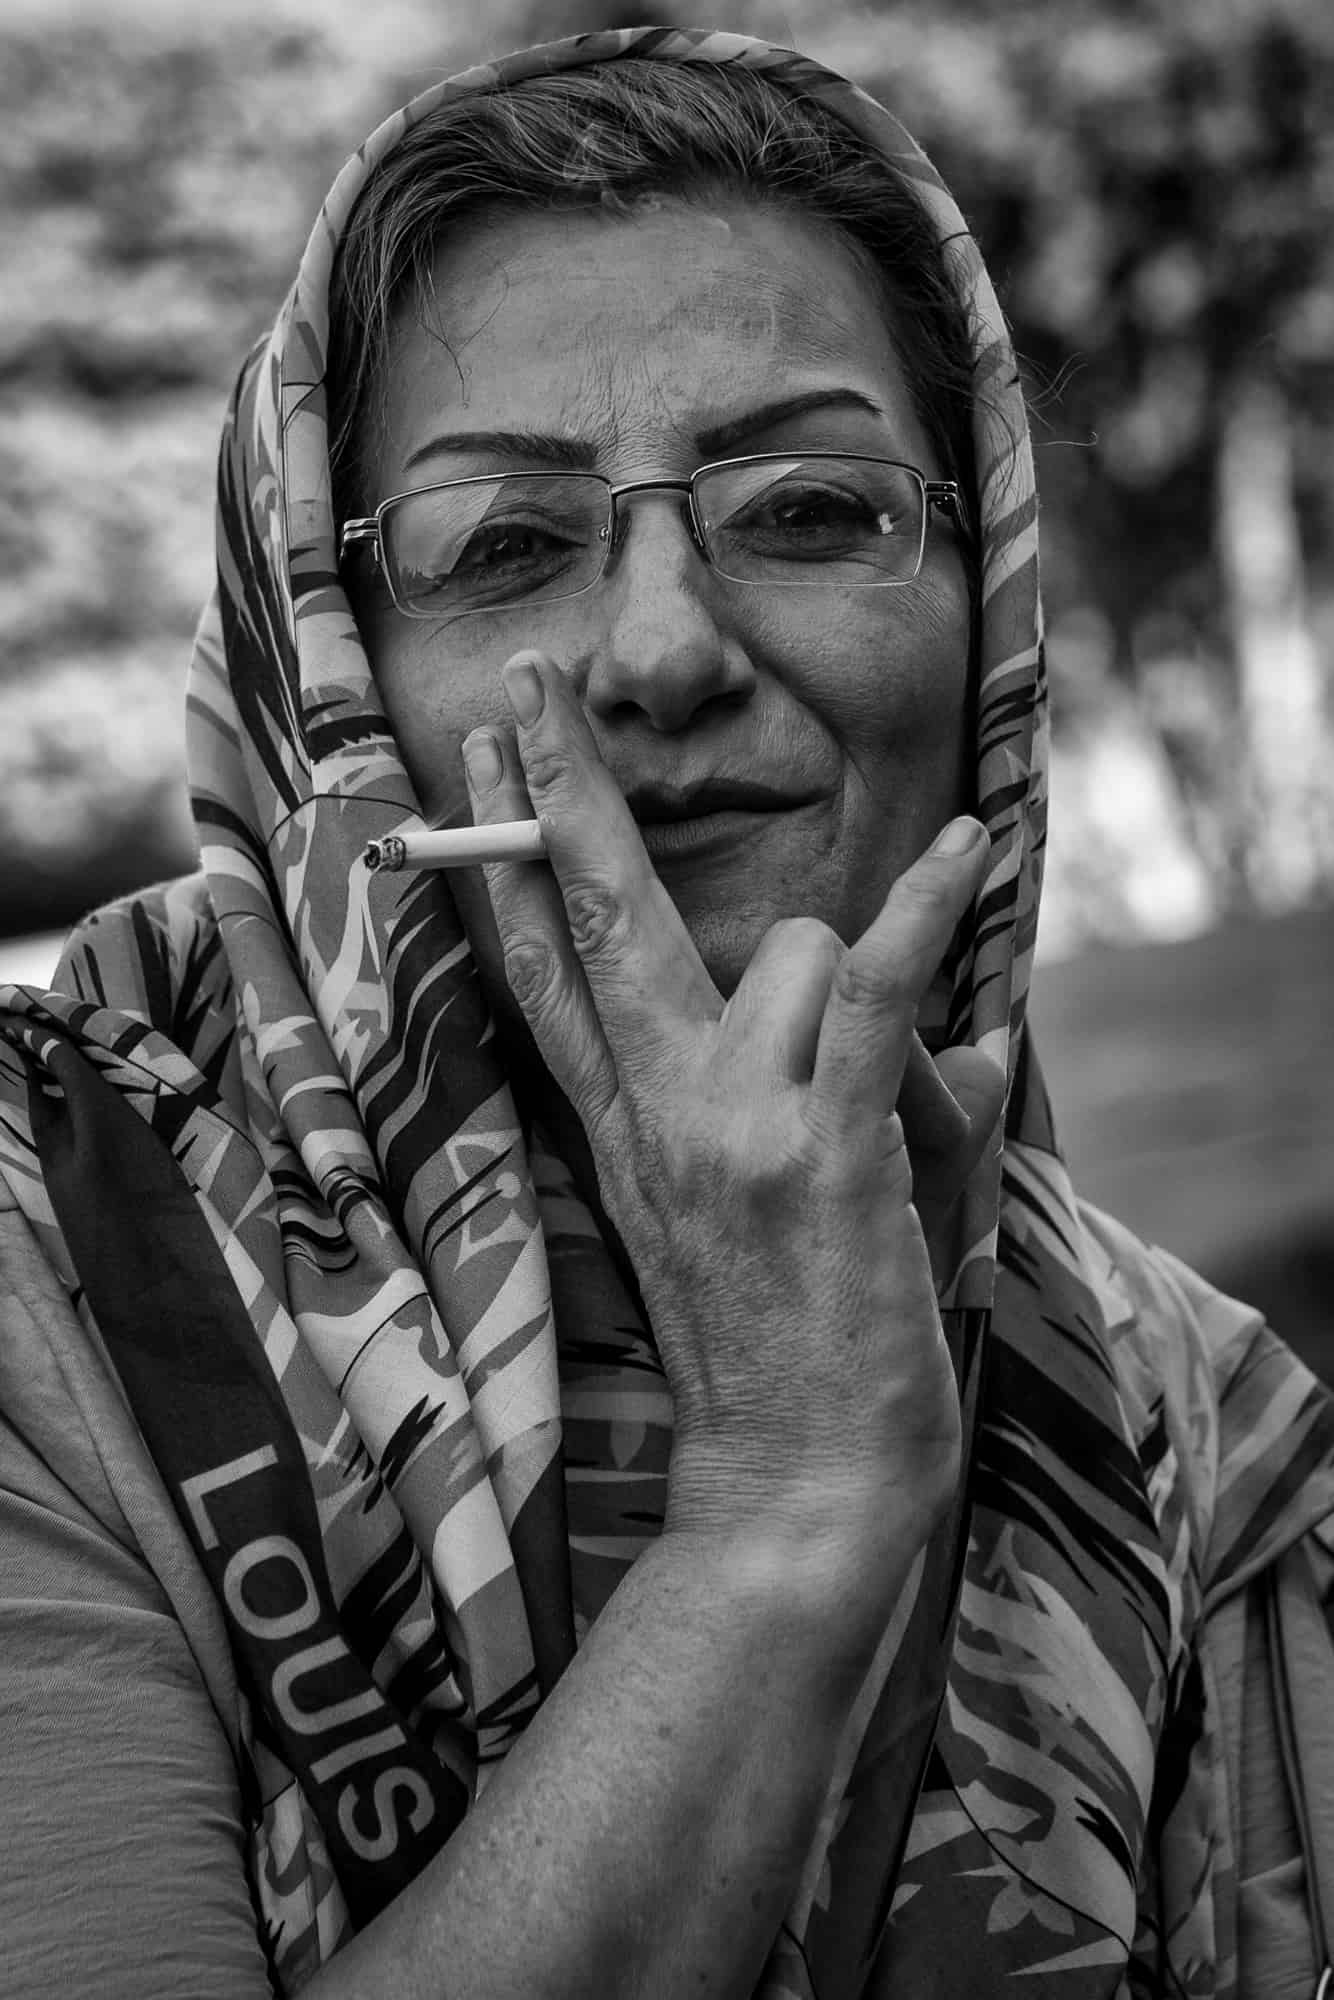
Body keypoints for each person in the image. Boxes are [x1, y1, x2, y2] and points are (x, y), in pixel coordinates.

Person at [1, 23, 1332, 1999]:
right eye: (504, 545)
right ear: (327, 674)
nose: (659, 653)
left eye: (808, 511)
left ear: (993, 612)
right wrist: (788, 1497)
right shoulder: (55, 1268)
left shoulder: (1197, 1434)